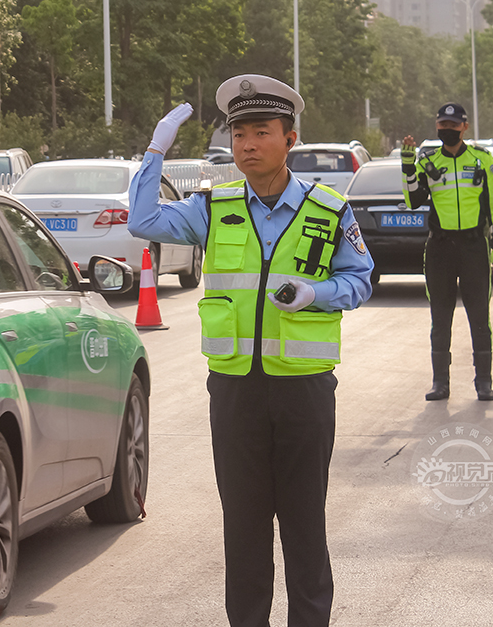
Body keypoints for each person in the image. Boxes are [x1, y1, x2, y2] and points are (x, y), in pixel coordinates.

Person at [127, 75, 373, 627]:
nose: (247, 145)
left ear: (290, 139)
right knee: (243, 529)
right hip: (235, 392)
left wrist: (318, 292)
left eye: (261, 132)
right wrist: (155, 149)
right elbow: (142, 221)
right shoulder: (213, 207)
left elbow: (360, 279)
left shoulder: (328, 210)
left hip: (304, 392)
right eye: (239, 133)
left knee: (305, 527)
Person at [400, 103, 493, 401]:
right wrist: (408, 165)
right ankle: (440, 383)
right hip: (440, 249)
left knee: (479, 315)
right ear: (437, 126)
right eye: (442, 124)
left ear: (464, 127)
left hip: (474, 247)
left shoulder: (482, 160)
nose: (447, 129)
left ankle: (483, 382)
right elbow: (412, 200)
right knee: (440, 316)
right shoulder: (428, 161)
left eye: (453, 125)